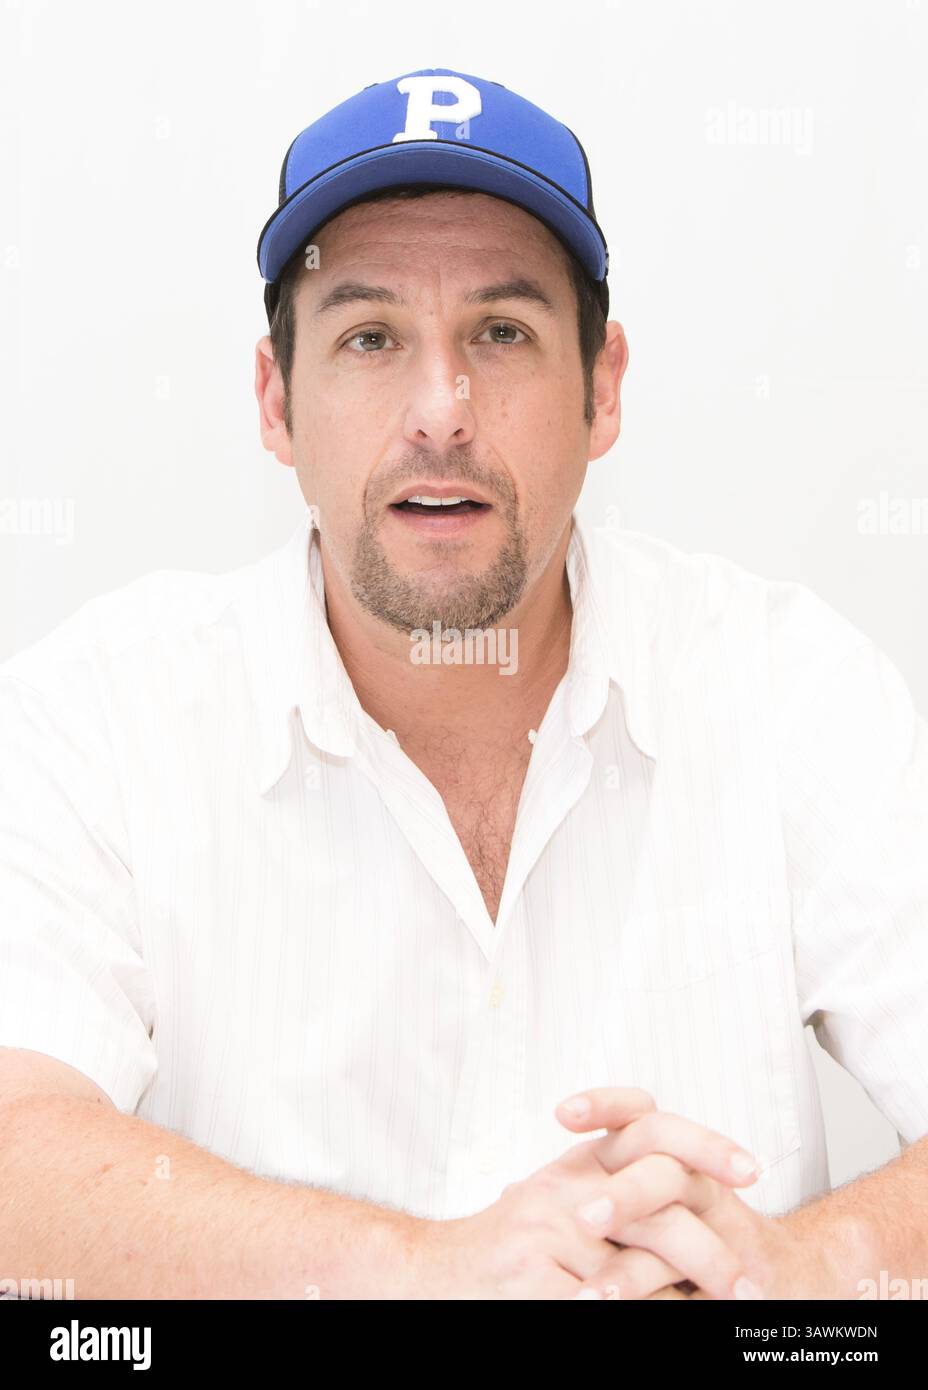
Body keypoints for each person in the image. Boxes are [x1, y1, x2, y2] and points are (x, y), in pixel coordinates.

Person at [1, 67, 926, 1301]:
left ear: (602, 387)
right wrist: (419, 1270)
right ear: (277, 402)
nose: (440, 413)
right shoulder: (95, 719)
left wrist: (806, 1268)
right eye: (369, 337)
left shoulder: (793, 688)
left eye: (502, 333)